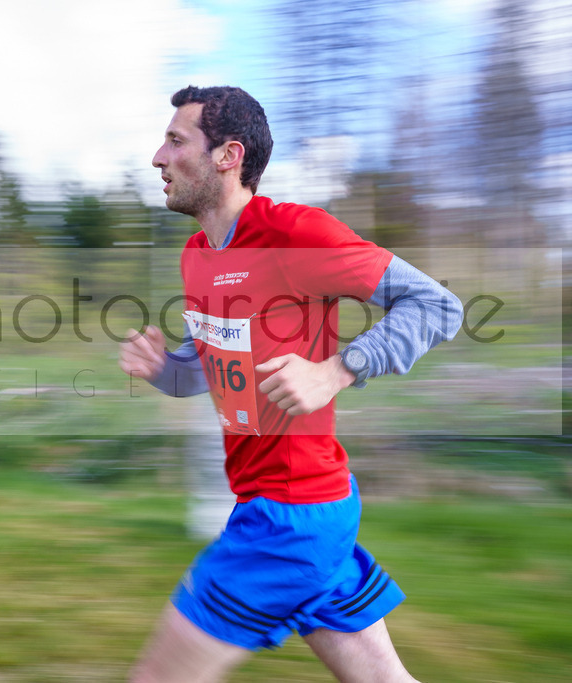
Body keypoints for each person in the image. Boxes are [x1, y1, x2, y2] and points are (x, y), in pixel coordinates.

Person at [119, 86, 463, 682]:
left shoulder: (295, 233)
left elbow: (436, 306)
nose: (157, 157)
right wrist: (166, 372)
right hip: (294, 505)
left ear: (228, 156)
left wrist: (339, 369)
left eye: (176, 141)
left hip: (289, 518)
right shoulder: (198, 254)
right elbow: (208, 369)